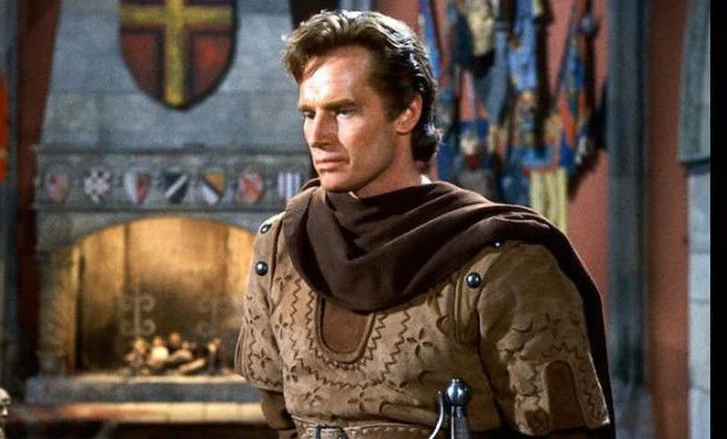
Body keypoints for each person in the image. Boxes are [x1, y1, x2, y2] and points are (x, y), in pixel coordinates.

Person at [234, 10, 614, 439]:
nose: (318, 136)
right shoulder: (283, 245)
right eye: (308, 113)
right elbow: (279, 413)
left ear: (406, 112)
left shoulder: (502, 261)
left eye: (343, 111)